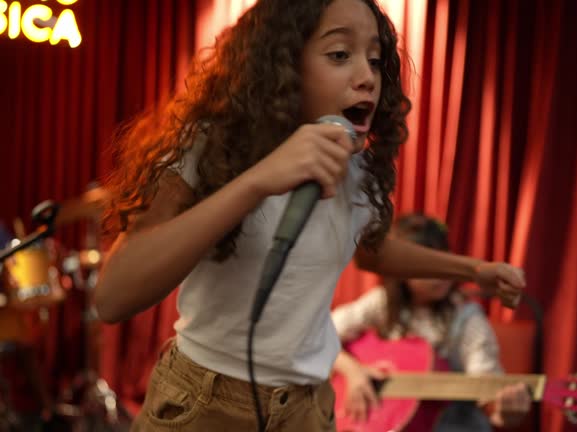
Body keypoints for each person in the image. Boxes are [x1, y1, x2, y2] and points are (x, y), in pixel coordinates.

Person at [94, 1, 526, 431]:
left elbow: (371, 251)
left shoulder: (355, 168)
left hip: (308, 409)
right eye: (340, 55)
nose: (366, 78)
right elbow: (113, 297)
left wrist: (472, 271)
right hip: (204, 403)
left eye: (375, 61)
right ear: (283, 64)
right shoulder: (206, 148)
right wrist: (258, 181)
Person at [331, 213, 531, 431]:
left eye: (442, 262)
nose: (439, 275)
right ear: (400, 271)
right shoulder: (382, 303)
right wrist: (354, 371)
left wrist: (503, 414)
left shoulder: (466, 317)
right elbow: (321, 334)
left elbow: (488, 383)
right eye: (425, 268)